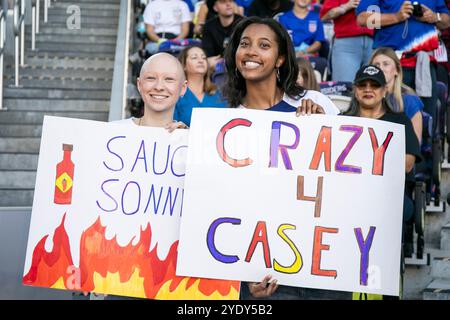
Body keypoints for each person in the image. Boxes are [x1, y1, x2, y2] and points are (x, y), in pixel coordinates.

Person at [223, 16, 344, 299]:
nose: (251, 51)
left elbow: (347, 182)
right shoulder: (225, 125)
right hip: (263, 272)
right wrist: (244, 283)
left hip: (321, 266)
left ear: (279, 59)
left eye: (263, 45)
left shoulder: (316, 103)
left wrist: (327, 129)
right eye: (244, 44)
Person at [356, 0, 450, 132]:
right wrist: (396, 17)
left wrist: (435, 17)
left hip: (424, 63)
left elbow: (446, 21)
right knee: (389, 116)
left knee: (427, 120)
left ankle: (423, 151)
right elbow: (363, 20)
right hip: (390, 63)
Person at [116, 53, 189, 131]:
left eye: (169, 79)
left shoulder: (190, 138)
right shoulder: (114, 131)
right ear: (139, 84)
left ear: (183, 88)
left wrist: (191, 139)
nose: (159, 87)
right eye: (151, 78)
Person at [369, 47, 423, 143]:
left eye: (386, 64)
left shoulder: (409, 100)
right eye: (376, 65)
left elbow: (416, 143)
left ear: (396, 70)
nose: (381, 68)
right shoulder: (365, 98)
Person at [320, 0, 374, 82]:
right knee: (345, 88)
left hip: (374, 42)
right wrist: (345, 7)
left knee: (373, 86)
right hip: (347, 42)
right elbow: (324, 16)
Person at [174, 46, 227, 126]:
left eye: (204, 58)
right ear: (184, 65)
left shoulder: (220, 94)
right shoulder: (176, 95)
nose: (200, 60)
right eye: (194, 57)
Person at [202, 0, 244, 70]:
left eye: (231, 1)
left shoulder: (243, 24)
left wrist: (222, 61)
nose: (228, 4)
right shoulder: (208, 26)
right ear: (215, 7)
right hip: (215, 67)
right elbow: (208, 54)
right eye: (223, 2)